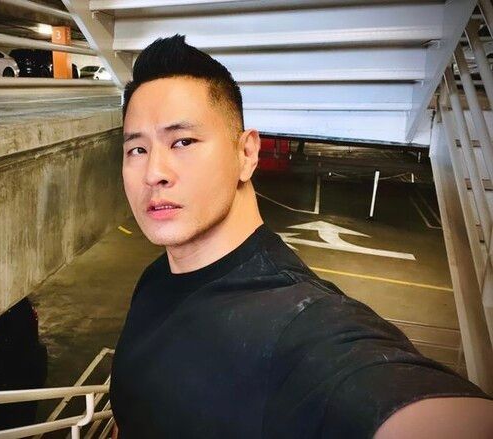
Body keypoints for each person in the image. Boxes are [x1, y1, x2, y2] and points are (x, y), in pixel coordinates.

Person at [109, 34, 493, 438]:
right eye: (137, 150)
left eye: (183, 141)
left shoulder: (301, 325)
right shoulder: (155, 278)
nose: (154, 172)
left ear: (246, 153)